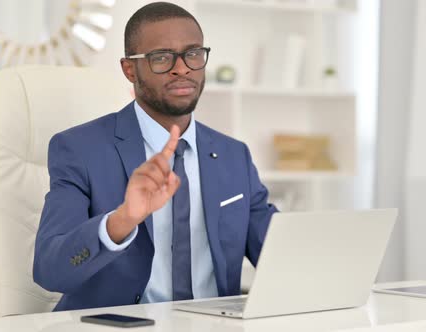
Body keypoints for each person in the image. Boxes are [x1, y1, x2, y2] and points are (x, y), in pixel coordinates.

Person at [33, 2, 277, 311]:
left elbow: (279, 254)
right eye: (161, 57)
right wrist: (122, 220)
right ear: (129, 69)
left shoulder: (233, 155)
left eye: (193, 54)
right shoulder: (79, 149)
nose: (182, 68)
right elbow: (49, 270)